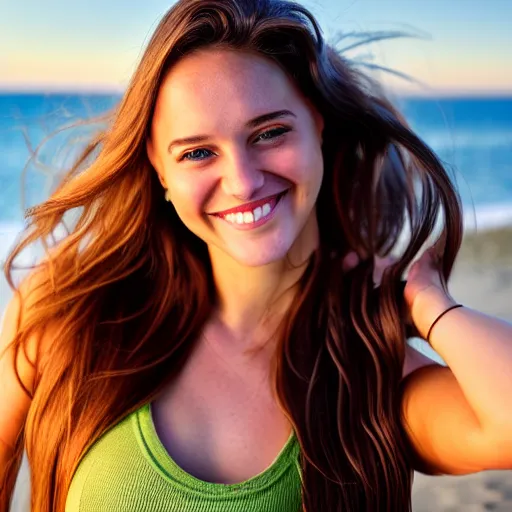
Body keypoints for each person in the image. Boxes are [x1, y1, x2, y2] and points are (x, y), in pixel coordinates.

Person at [1, 0, 512, 510]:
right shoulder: (70, 309)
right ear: (159, 167)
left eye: (269, 133)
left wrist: (431, 306)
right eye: (198, 152)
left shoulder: (370, 367)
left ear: (319, 126)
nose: (243, 181)